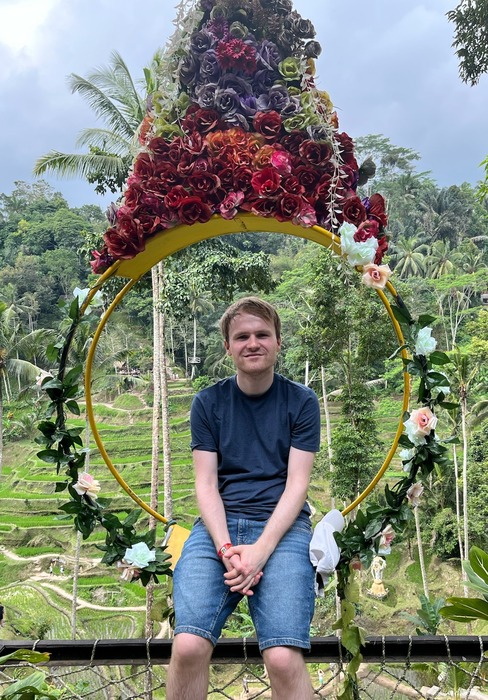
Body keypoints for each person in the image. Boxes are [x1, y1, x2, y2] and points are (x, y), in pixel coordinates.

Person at [166, 297, 321, 700]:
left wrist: (259, 553)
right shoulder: (208, 403)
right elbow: (206, 485)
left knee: (284, 658)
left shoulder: (301, 402)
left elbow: (297, 485)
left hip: (282, 529)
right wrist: (226, 548)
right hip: (219, 527)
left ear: (278, 342)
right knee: (187, 646)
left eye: (262, 334)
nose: (253, 343)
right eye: (242, 337)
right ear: (228, 347)